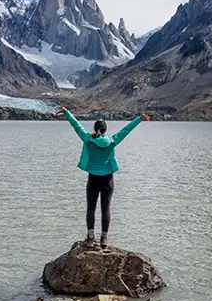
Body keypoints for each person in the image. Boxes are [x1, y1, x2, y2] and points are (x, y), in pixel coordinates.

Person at [57, 107, 149, 249]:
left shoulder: (88, 139)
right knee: (105, 209)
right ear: (105, 130)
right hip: (108, 180)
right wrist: (139, 119)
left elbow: (76, 126)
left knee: (91, 209)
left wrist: (66, 112)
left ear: (95, 129)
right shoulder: (112, 140)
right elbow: (126, 130)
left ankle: (90, 237)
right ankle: (104, 239)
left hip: (93, 179)